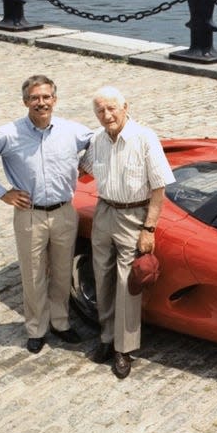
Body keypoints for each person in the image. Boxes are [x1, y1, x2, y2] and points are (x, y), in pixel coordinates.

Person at [0, 75, 93, 353]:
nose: (41, 102)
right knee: (33, 274)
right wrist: (3, 193)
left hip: (64, 212)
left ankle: (61, 323)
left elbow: (98, 142)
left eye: (46, 97)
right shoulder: (8, 134)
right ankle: (36, 328)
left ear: (55, 100)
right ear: (25, 101)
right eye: (35, 98)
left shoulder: (72, 131)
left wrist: (85, 164)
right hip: (29, 214)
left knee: (62, 273)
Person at [80, 86, 175, 379]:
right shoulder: (97, 139)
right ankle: (107, 338)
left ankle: (125, 348)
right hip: (104, 211)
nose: (107, 115)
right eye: (100, 111)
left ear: (125, 107)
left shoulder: (145, 138)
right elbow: (85, 166)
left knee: (127, 283)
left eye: (112, 108)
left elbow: (159, 186)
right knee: (102, 277)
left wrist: (149, 228)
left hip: (134, 215)